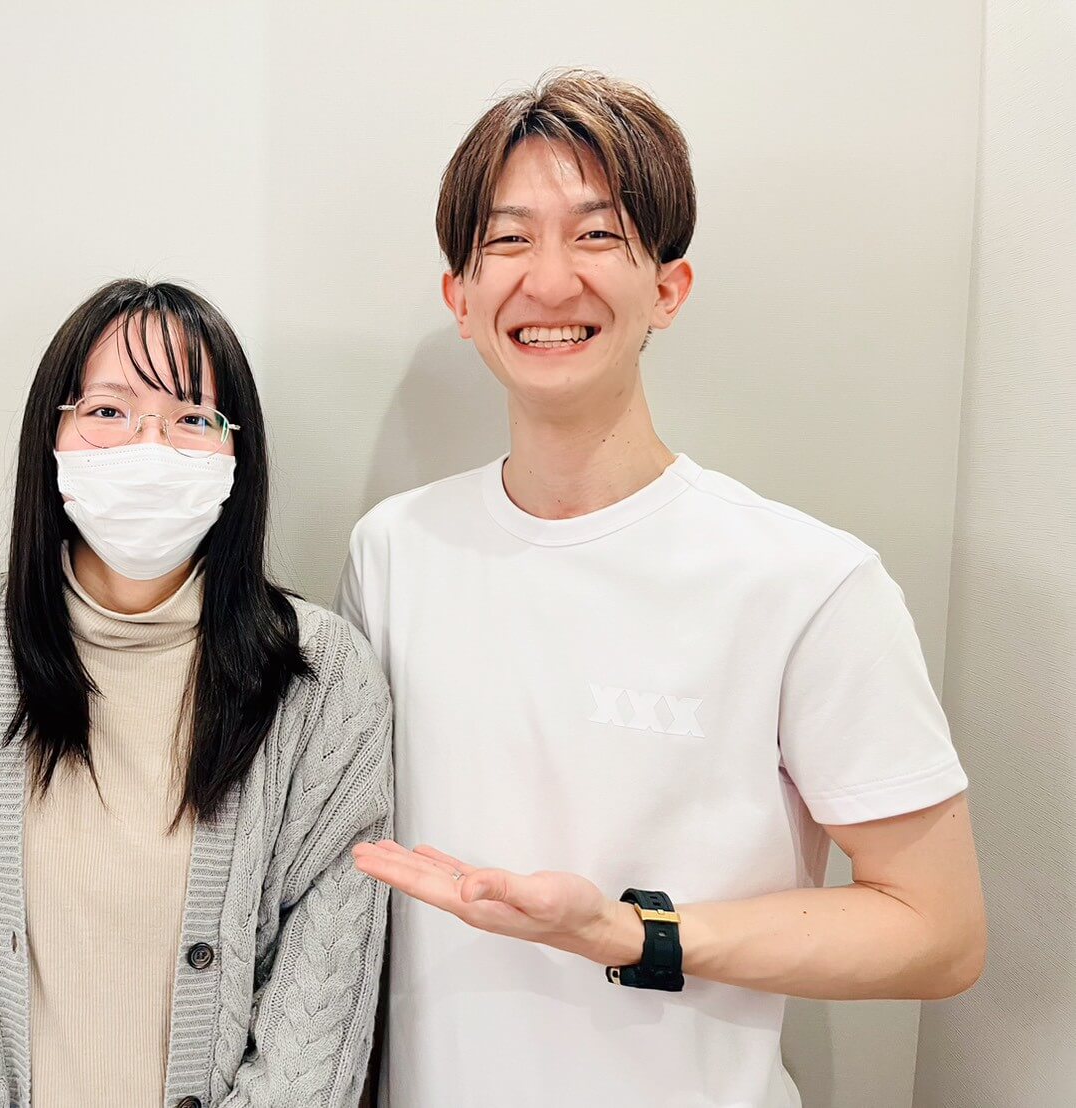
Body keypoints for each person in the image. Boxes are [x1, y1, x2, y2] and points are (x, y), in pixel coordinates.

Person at [337, 70, 984, 1106]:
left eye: (597, 235)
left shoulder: (806, 581)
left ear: (667, 290)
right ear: (460, 298)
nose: (550, 281)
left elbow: (937, 933)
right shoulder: (392, 552)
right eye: (508, 240)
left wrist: (632, 933)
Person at [0, 278, 392, 1108]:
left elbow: (319, 1011)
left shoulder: (323, 679)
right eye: (109, 411)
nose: (149, 446)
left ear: (237, 453)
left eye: (191, 418)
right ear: (50, 435)